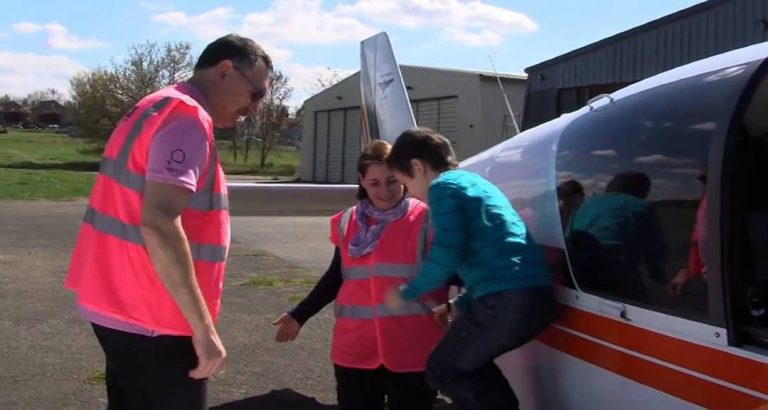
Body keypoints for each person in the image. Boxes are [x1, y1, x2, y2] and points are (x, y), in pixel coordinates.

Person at [64, 34, 272, 409]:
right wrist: (203, 329)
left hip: (117, 303)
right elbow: (159, 222)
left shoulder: (153, 105)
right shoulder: (187, 117)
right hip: (155, 316)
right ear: (226, 71)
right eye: (255, 94)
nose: (254, 108)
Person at [384, 127, 556, 410]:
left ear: (418, 167)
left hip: (506, 300)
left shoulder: (442, 188)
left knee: (444, 368)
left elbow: (448, 249)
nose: (410, 194)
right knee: (467, 365)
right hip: (532, 295)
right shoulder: (476, 183)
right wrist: (461, 302)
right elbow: (496, 255)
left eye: (405, 183)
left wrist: (409, 291)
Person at [272, 139, 449, 410]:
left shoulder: (429, 219)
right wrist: (299, 315)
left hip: (413, 348)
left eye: (392, 181)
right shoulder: (348, 222)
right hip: (356, 348)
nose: (385, 191)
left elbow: (456, 272)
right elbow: (336, 276)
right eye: (374, 183)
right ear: (361, 181)